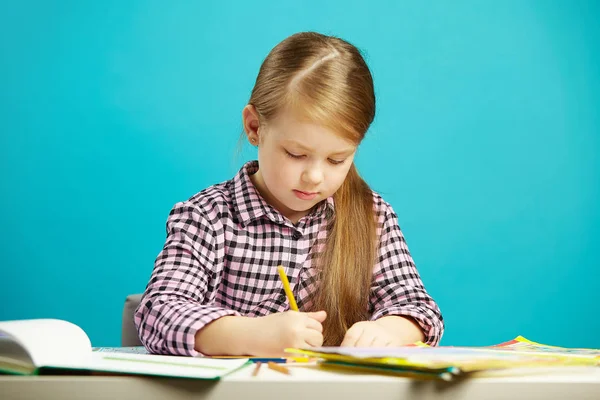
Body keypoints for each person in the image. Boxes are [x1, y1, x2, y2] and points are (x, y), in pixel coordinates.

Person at [135, 31, 444, 356]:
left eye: (337, 159)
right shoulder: (208, 217)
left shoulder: (373, 217)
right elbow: (158, 313)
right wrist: (250, 335)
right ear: (255, 127)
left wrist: (387, 330)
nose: (314, 176)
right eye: (296, 154)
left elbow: (419, 310)